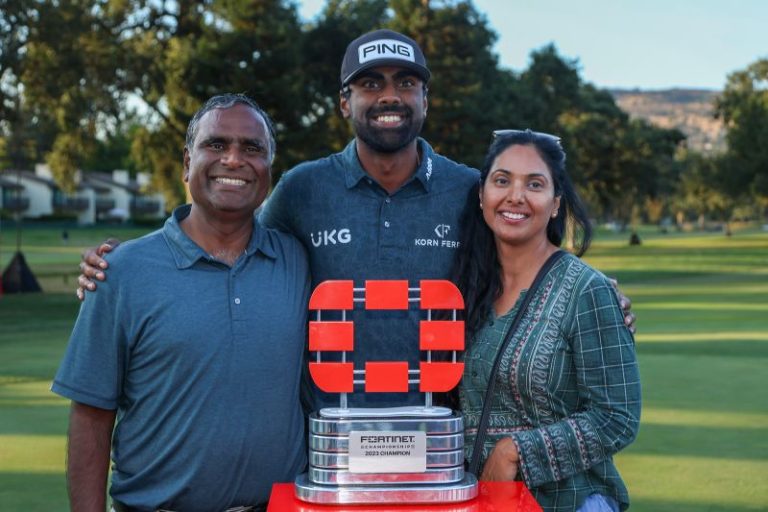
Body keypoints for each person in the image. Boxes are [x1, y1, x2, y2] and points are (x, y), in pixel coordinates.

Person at [75, 29, 635, 411]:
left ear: (425, 99)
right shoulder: (301, 188)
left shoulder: (471, 188)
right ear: (344, 102)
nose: (389, 96)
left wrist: (590, 294)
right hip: (325, 440)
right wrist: (126, 266)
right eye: (371, 84)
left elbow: (526, 255)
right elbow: (234, 247)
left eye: (405, 83)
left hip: (444, 438)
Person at [52, 94, 310, 512]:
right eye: (216, 144)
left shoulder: (297, 261)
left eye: (252, 148)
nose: (233, 159)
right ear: (187, 163)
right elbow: (90, 415)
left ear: (268, 170)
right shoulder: (121, 271)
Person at [452, 129, 641, 511]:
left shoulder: (586, 289)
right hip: (488, 503)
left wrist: (514, 452)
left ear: (555, 203)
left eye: (534, 184)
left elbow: (617, 415)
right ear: (482, 194)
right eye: (501, 180)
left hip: (570, 501)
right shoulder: (469, 287)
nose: (515, 196)